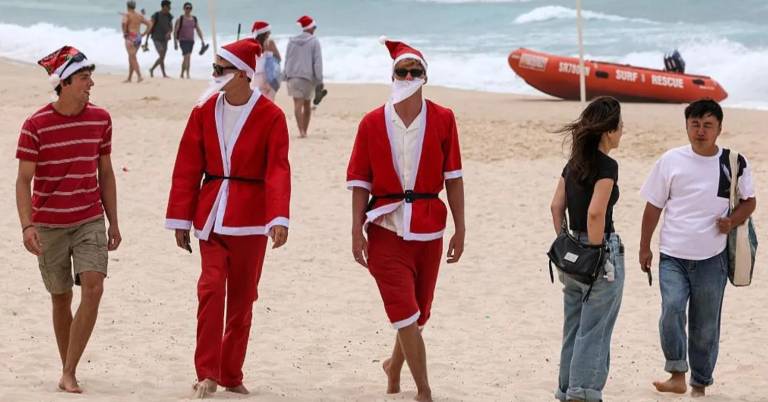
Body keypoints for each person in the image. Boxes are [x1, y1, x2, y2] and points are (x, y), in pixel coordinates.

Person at [165, 38, 291, 398]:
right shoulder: (203, 111)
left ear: (243, 75)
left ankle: (230, 373)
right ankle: (207, 372)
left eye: (221, 69)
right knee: (210, 288)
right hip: (211, 215)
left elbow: (278, 169)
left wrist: (278, 216)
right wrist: (180, 219)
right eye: (214, 69)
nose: (215, 75)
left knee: (243, 297)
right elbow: (187, 166)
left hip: (251, 219)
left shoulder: (271, 116)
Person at [347, 37, 465, 402]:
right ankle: (424, 391)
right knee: (404, 313)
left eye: (417, 71)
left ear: (426, 77)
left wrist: (461, 228)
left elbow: (454, 177)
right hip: (385, 229)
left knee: (419, 313)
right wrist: (355, 229)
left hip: (429, 228)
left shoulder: (443, 119)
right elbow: (359, 182)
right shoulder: (370, 123)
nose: (410, 75)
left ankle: (394, 365)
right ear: (393, 75)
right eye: (403, 70)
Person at [15, 46, 121, 393]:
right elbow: (23, 181)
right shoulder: (35, 125)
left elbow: (105, 171)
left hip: (89, 217)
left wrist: (113, 221)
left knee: (94, 287)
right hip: (48, 225)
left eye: (90, 77)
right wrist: (27, 225)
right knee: (60, 297)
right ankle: (67, 368)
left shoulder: (100, 119)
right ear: (63, 83)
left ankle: (69, 370)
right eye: (83, 78)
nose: (91, 83)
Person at [640, 99, 756, 398]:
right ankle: (677, 373)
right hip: (672, 256)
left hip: (712, 258)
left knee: (705, 325)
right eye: (695, 124)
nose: (700, 131)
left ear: (719, 128)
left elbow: (749, 201)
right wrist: (645, 247)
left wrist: (731, 221)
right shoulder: (670, 160)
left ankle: (700, 383)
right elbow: (653, 205)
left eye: (707, 125)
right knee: (672, 310)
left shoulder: (734, 162)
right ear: (686, 126)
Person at [549, 96, 625, 402]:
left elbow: (556, 207)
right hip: (599, 249)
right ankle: (582, 393)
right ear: (608, 131)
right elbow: (596, 213)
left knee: (573, 326)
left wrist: (565, 242)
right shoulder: (607, 166)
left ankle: (566, 389)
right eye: (620, 126)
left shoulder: (573, 164)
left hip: (570, 254)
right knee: (595, 329)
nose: (622, 131)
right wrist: (598, 256)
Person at [284, 15, 324, 138]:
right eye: (314, 27)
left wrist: (286, 74)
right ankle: (304, 131)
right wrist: (319, 79)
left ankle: (301, 130)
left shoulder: (291, 41)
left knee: (297, 104)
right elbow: (317, 61)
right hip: (308, 78)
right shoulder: (314, 41)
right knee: (306, 104)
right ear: (311, 28)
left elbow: (288, 58)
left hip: (293, 76)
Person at [174, 2, 206, 79]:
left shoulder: (194, 19)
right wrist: (175, 42)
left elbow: (198, 29)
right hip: (182, 40)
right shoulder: (180, 19)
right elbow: (175, 31)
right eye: (187, 8)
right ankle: (187, 74)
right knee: (186, 56)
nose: (188, 9)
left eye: (190, 8)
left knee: (188, 57)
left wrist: (202, 40)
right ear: (184, 9)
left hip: (191, 41)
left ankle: (183, 73)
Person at [251, 20, 282, 101]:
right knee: (270, 104)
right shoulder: (269, 43)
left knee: (259, 102)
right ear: (266, 32)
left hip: (257, 77)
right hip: (270, 76)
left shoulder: (252, 44)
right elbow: (279, 58)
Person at [122, 0, 150, 83]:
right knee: (132, 57)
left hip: (130, 36)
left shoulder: (127, 14)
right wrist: (144, 34)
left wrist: (124, 33)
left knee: (132, 57)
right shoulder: (139, 15)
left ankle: (139, 76)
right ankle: (129, 78)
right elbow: (149, 24)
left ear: (127, 6)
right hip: (138, 37)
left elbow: (124, 23)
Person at [144, 0, 174, 78]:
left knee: (162, 57)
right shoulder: (156, 15)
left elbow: (171, 27)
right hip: (156, 38)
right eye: (168, 7)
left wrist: (169, 33)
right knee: (161, 53)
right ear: (164, 7)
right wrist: (146, 40)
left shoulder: (169, 16)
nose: (170, 8)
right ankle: (162, 73)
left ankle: (154, 70)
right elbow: (150, 27)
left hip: (165, 39)